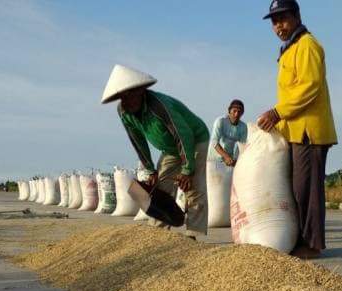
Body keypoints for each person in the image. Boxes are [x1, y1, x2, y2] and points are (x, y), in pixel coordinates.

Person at [256, 0, 338, 259]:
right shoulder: (289, 49)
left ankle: (312, 245)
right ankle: (300, 239)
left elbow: (310, 87)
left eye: (283, 19)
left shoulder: (307, 45)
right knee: (297, 189)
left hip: (310, 133)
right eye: (274, 22)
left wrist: (277, 113)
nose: (278, 26)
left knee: (308, 191)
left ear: (297, 16)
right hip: (295, 131)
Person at [101, 64, 210, 238]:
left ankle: (193, 235)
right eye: (123, 97)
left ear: (141, 91)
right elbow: (137, 141)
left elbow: (184, 136)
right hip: (170, 149)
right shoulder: (124, 112)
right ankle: (158, 236)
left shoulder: (159, 106)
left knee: (193, 189)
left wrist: (187, 170)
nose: (128, 100)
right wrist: (150, 169)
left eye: (132, 94)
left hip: (195, 140)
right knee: (160, 188)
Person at [208, 99, 248, 166]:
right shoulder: (220, 121)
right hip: (213, 160)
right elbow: (214, 141)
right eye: (234, 111)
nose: (236, 114)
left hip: (229, 161)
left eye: (239, 112)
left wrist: (235, 160)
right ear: (229, 111)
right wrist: (226, 156)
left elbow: (241, 147)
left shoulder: (243, 127)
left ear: (242, 113)